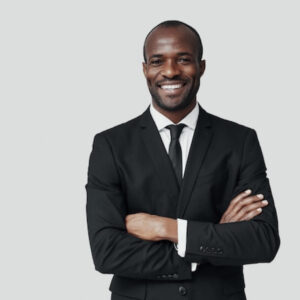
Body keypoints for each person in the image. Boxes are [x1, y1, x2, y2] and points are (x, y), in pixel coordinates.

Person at [85, 20, 280, 300]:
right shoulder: (110, 145)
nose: (170, 71)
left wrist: (168, 228)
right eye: (157, 61)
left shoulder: (240, 141)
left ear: (201, 66)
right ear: (144, 70)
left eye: (184, 59)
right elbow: (106, 252)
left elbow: (263, 241)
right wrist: (209, 241)